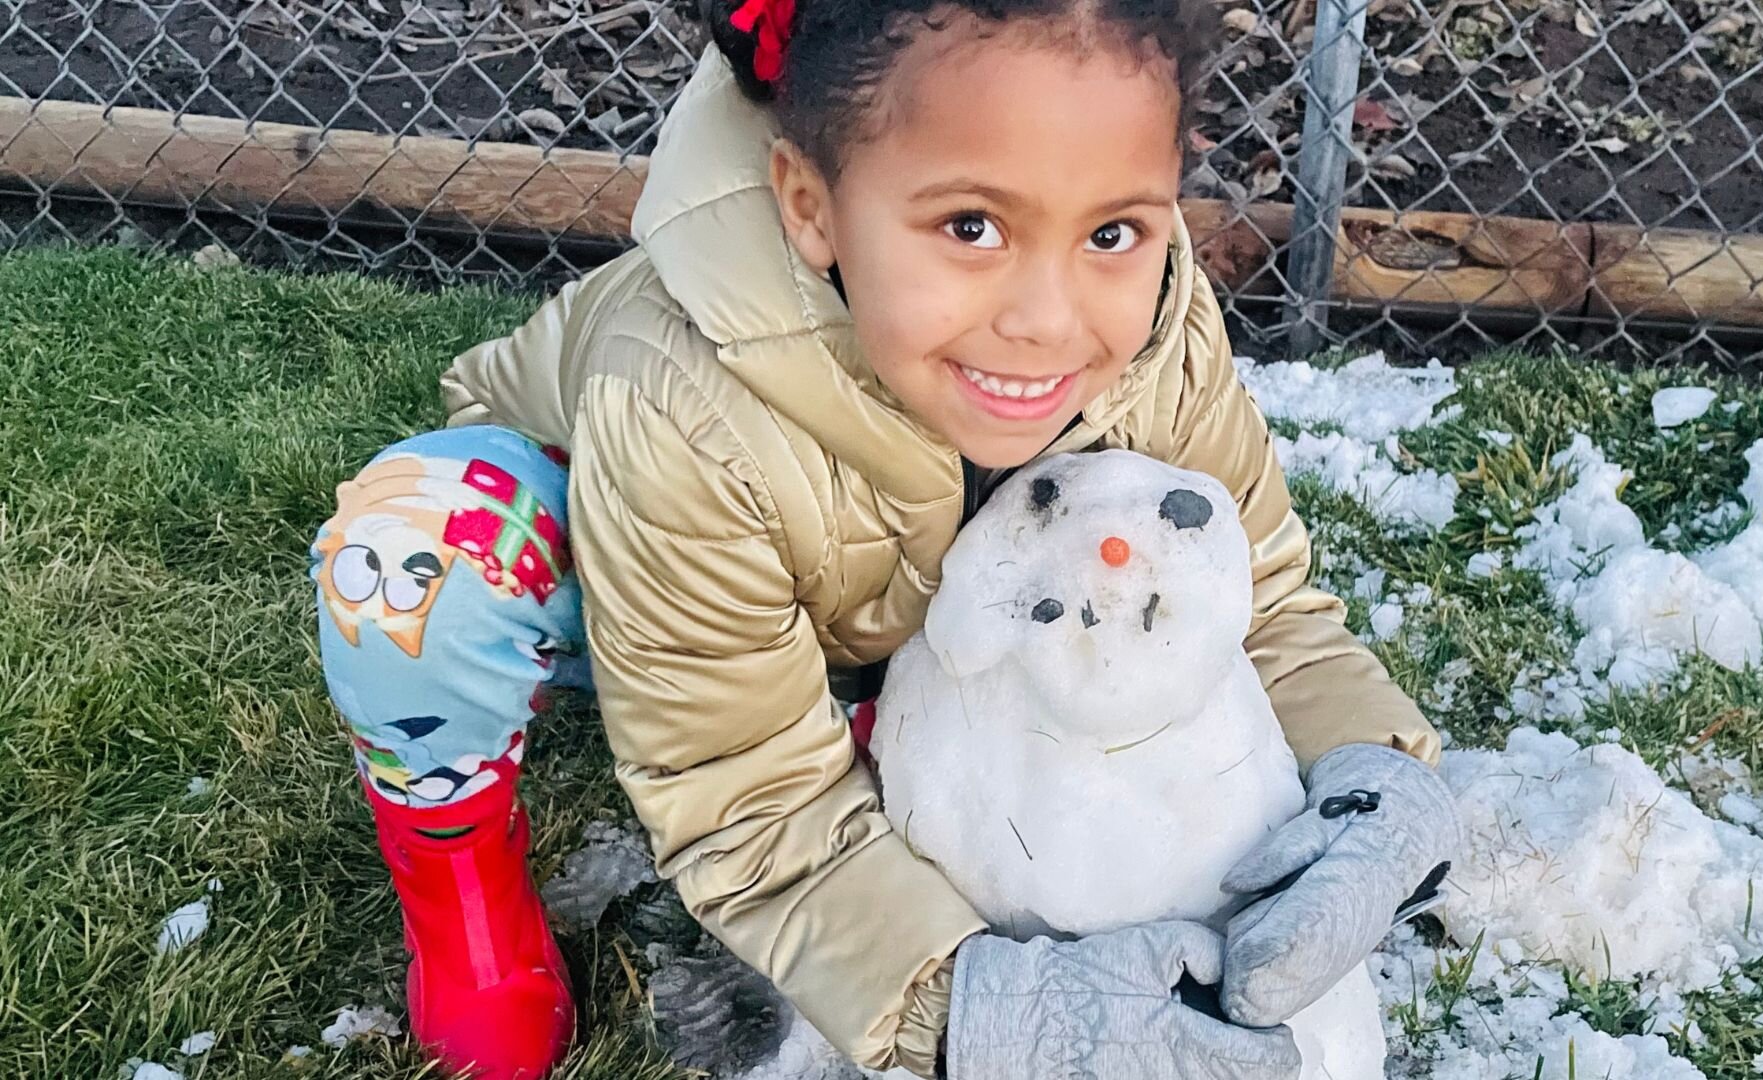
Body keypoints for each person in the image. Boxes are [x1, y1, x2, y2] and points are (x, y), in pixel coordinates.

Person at [308, 0, 1461, 1073]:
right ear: (811, 207)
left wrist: (1375, 781)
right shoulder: (679, 404)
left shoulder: (1156, 330)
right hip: (604, 557)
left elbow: (1257, 603)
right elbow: (747, 795)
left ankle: (872, 712)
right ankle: (455, 871)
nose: (1046, 321)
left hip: (874, 601)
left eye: (1112, 230)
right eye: (972, 226)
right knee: (420, 569)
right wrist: (976, 1016)